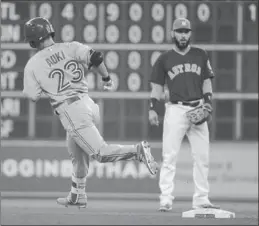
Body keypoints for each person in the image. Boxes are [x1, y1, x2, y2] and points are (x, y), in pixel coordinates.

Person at [23, 17, 158, 208]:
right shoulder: (71, 46)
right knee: (77, 154)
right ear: (50, 32)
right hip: (89, 104)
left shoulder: (33, 64)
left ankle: (137, 151)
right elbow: (96, 57)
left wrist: (46, 85)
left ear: (33, 40)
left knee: (100, 153)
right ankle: (78, 194)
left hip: (70, 109)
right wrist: (106, 78)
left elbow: (32, 97)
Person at [148, 17, 220, 211]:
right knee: (169, 156)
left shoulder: (200, 54)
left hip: (198, 107)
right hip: (175, 109)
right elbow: (156, 86)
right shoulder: (164, 59)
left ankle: (201, 198)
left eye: (186, 31)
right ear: (173, 33)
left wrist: (208, 103)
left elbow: (207, 81)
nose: (182, 35)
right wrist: (153, 107)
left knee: (202, 157)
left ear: (190, 34)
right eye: (179, 31)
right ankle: (166, 198)